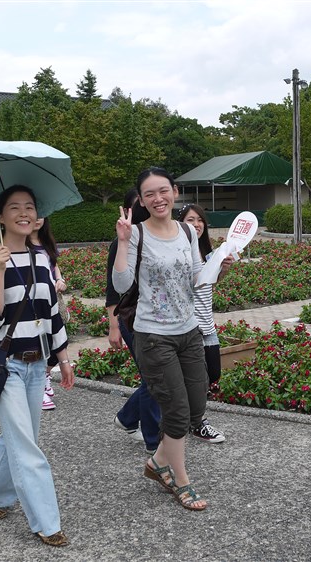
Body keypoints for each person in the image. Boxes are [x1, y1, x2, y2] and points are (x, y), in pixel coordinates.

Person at [0, 184, 75, 547]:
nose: (23, 213)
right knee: (27, 447)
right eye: (14, 207)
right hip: (5, 367)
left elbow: (52, 314)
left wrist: (62, 359)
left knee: (19, 437)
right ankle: (47, 522)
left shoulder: (41, 258)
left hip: (37, 365)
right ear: (1, 217)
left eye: (29, 206)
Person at [112, 167, 209, 511]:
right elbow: (122, 285)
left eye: (163, 190)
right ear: (141, 200)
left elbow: (197, 278)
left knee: (196, 407)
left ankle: (157, 462)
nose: (158, 198)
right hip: (153, 335)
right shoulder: (136, 233)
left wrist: (219, 269)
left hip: (189, 330)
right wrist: (123, 242)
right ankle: (179, 479)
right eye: (149, 194)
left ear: (175, 192)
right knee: (176, 410)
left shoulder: (187, 231)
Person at [107, 189, 161, 454]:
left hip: (158, 318)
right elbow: (112, 289)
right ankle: (153, 439)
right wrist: (113, 326)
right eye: (137, 204)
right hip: (131, 318)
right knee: (154, 379)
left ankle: (128, 417)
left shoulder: (155, 237)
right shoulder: (122, 242)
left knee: (155, 377)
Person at [177, 203, 232, 444]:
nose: (197, 224)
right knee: (196, 379)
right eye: (191, 220)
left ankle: (131, 416)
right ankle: (195, 422)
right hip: (190, 326)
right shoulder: (180, 252)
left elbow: (210, 283)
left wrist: (223, 269)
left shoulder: (206, 250)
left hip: (207, 323)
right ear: (180, 224)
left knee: (213, 372)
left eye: (200, 220)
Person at [29, 217, 67, 411]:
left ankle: (44, 376)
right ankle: (39, 387)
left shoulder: (46, 242)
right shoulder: (21, 246)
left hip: (52, 302)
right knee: (40, 343)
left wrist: (60, 280)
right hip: (34, 305)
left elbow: (54, 264)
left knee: (57, 342)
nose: (37, 219)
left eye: (40, 214)